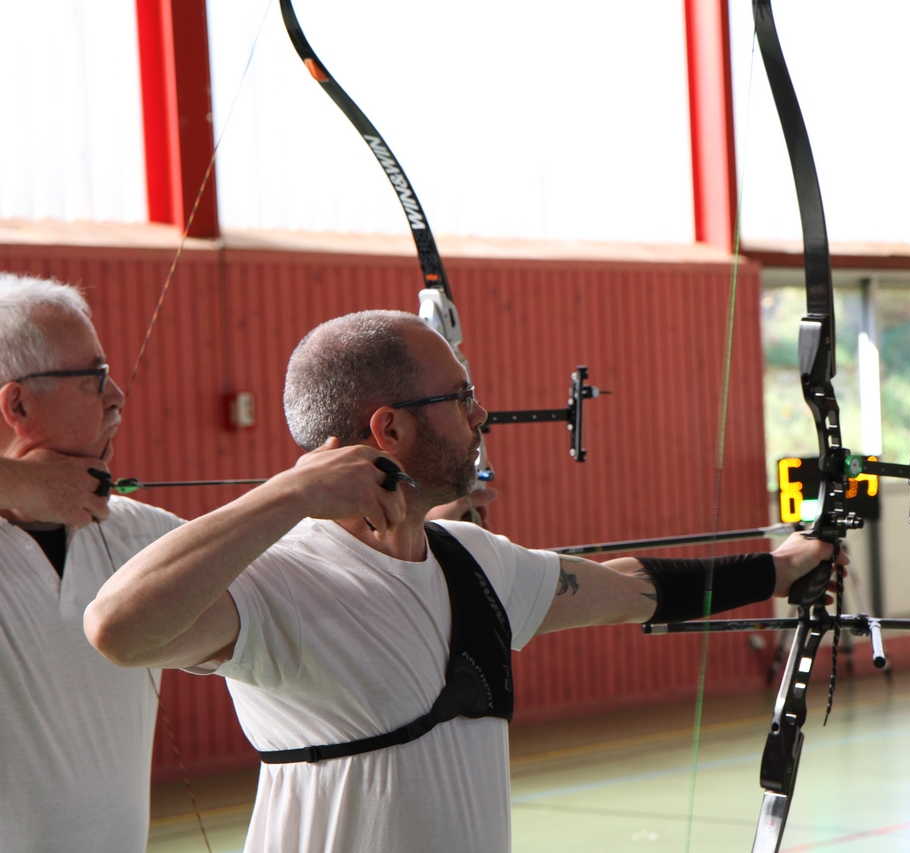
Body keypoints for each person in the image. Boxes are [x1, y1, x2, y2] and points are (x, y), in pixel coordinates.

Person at [85, 309, 845, 853]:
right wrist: (289, 493)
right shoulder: (279, 580)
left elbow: (631, 589)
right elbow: (116, 627)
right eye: (458, 396)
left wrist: (779, 566)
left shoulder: (473, 559)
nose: (481, 413)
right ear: (389, 430)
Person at [0, 274, 184, 851]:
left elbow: (300, 572)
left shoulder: (139, 533)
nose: (116, 397)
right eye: (93, 378)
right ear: (18, 403)